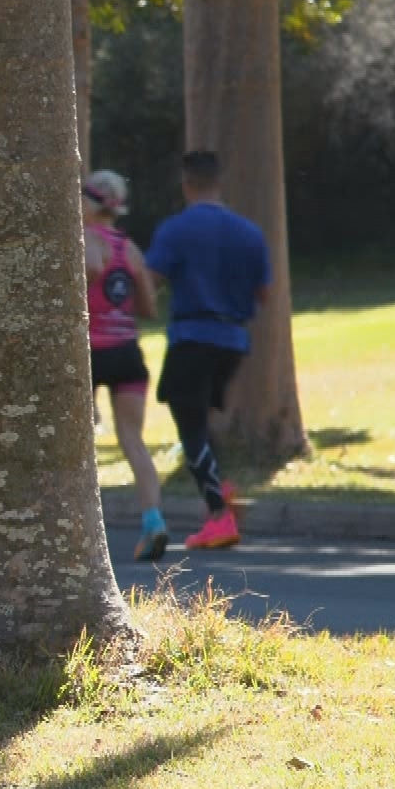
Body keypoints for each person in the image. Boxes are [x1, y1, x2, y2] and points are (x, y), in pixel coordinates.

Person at [146, 150, 272, 551]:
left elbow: (151, 281)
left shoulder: (176, 229)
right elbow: (264, 293)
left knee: (189, 424)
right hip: (233, 341)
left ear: (186, 184)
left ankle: (218, 515)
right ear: (220, 182)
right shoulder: (250, 232)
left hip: (192, 335)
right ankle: (222, 486)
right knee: (200, 418)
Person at [80, 170, 167, 560]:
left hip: (90, 353)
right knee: (133, 440)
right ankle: (154, 522)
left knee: (77, 445)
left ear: (90, 202)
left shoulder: (85, 242)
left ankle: (79, 531)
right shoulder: (130, 250)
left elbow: (86, 277)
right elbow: (149, 306)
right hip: (128, 352)